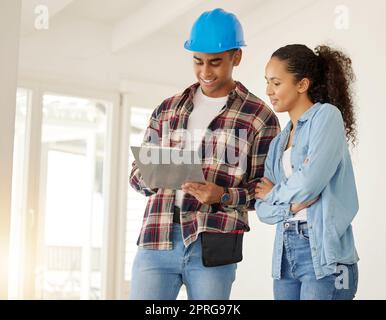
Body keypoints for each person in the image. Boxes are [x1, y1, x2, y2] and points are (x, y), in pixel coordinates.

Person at [129, 8, 280, 300]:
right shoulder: (168, 109)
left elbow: (264, 191)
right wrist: (156, 173)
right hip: (157, 238)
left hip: (214, 244)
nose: (205, 72)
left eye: (215, 63)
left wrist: (222, 195)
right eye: (198, 62)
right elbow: (136, 176)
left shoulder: (259, 117)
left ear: (236, 57)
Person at [255, 44, 359, 300]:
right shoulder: (279, 142)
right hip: (284, 254)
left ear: (302, 85)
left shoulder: (326, 117)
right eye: (267, 82)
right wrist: (290, 207)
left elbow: (310, 182)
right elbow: (262, 208)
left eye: (276, 83)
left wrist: (275, 193)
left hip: (325, 255)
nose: (269, 91)